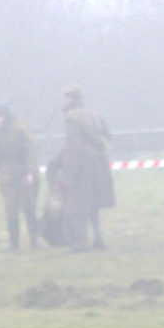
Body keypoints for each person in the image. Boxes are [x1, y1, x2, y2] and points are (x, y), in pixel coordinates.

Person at [56, 84, 115, 250]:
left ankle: (80, 242)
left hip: (82, 164)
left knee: (77, 204)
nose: (63, 101)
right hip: (98, 163)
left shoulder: (72, 117)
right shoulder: (94, 114)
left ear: (71, 98)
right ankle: (99, 238)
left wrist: (68, 171)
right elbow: (108, 136)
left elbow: (74, 145)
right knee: (93, 203)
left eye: (65, 98)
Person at [0, 106, 40, 249]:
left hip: (23, 172)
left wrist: (30, 172)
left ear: (6, 117)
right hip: (6, 174)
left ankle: (34, 239)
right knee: (11, 209)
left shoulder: (19, 130)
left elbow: (29, 150)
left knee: (28, 207)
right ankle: (14, 243)